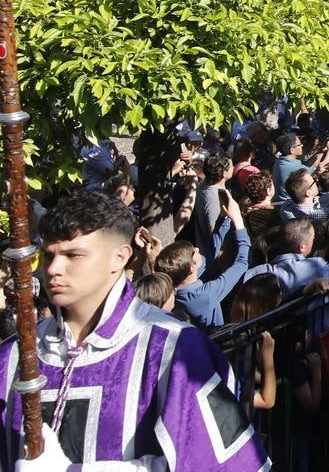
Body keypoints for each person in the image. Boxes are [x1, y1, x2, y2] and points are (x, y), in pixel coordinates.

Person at [0, 191, 269, 469]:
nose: (54, 269)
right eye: (48, 256)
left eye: (73, 255)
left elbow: (217, 464)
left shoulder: (175, 350)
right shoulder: (11, 357)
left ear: (119, 257)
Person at [157, 190, 252, 328]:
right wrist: (238, 222)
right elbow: (243, 262)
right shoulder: (203, 296)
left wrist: (223, 217)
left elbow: (210, 254)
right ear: (191, 268)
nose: (197, 249)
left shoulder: (178, 286)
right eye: (193, 252)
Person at [243, 217, 329, 295]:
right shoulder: (315, 266)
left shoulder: (256, 272)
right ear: (302, 247)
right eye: (313, 238)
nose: (314, 240)